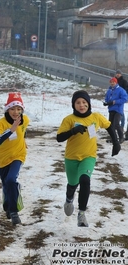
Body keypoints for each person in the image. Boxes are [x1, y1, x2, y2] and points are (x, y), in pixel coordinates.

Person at [57, 90, 120, 227]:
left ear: (88, 104)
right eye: (78, 102)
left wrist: (116, 143)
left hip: (89, 156)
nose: (81, 105)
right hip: (71, 158)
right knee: (72, 184)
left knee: (85, 180)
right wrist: (73, 131)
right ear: (74, 105)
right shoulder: (69, 119)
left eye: (84, 102)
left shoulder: (96, 117)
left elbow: (109, 126)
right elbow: (59, 138)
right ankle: (69, 199)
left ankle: (81, 214)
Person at [0, 92, 29, 225]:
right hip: (2, 158)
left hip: (18, 156)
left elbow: (23, 131)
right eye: (12, 109)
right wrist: (11, 130)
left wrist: (23, 141)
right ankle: (8, 204)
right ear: (7, 109)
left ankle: (14, 212)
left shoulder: (25, 120)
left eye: (19, 109)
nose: (16, 112)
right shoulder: (2, 123)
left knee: (11, 180)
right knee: (6, 184)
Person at [103, 77, 127, 143]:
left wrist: (114, 102)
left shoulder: (121, 90)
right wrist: (106, 102)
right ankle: (113, 138)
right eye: (111, 82)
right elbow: (107, 98)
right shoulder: (109, 90)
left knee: (116, 124)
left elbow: (125, 99)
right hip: (111, 109)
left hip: (118, 110)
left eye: (113, 82)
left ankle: (121, 137)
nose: (112, 83)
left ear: (116, 82)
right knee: (111, 125)